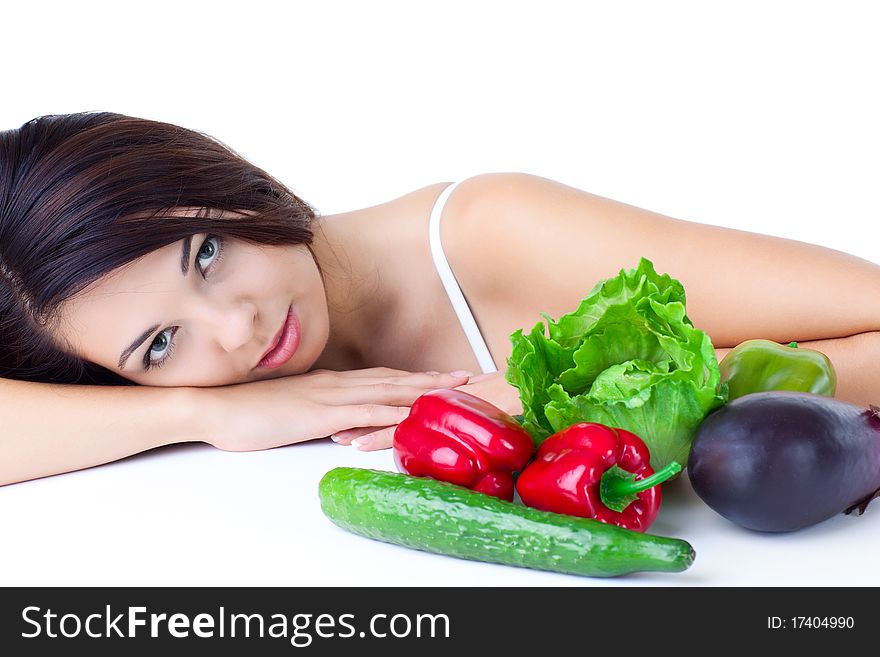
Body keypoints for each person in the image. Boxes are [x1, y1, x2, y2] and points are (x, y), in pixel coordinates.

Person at [2, 112, 878, 487]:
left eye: (206, 252)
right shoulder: (206, 390)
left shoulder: (492, 232)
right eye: (159, 344)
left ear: (221, 178)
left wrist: (606, 396)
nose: (238, 326)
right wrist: (206, 413)